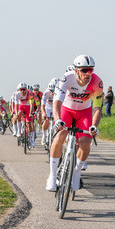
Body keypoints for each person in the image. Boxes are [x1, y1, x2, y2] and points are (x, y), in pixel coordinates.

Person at [47, 55, 104, 193]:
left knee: (85, 141)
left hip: (84, 113)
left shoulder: (97, 82)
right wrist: (57, 119)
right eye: (84, 70)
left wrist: (94, 126)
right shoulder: (67, 78)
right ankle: (52, 175)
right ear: (76, 70)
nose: (88, 73)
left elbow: (97, 109)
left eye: (91, 70)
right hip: (66, 110)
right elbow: (57, 103)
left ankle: (76, 174)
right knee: (61, 134)